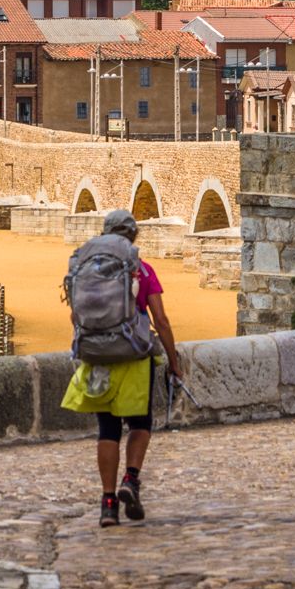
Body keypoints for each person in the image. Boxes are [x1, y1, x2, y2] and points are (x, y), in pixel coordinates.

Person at [61, 210, 183, 528]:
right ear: (133, 237)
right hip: (133, 358)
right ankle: (131, 479)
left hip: (98, 357)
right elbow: (162, 321)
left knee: (108, 431)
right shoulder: (142, 270)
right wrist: (174, 361)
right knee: (141, 424)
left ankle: (108, 503)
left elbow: (76, 317)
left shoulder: (87, 269)